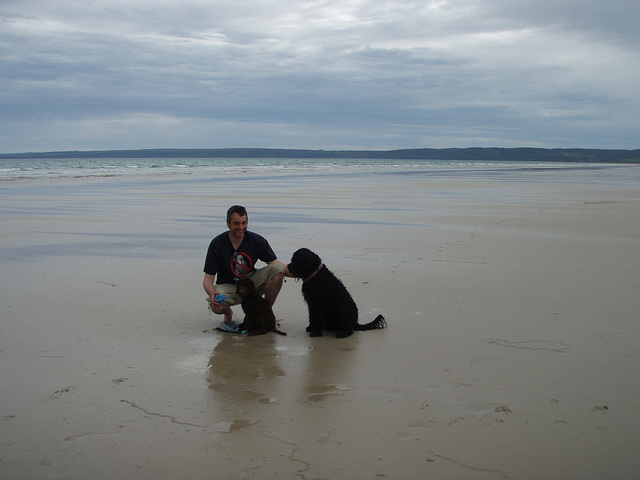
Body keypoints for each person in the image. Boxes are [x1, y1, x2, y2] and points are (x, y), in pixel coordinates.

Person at [203, 205, 289, 330]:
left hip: (250, 285)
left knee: (277, 270)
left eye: (244, 223)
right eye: (236, 223)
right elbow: (208, 279)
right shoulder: (217, 244)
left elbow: (279, 265)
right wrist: (212, 293)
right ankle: (228, 314)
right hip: (228, 286)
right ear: (228, 224)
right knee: (216, 306)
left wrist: (308, 273)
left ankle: (264, 312)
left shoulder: (256, 240)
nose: (241, 227)